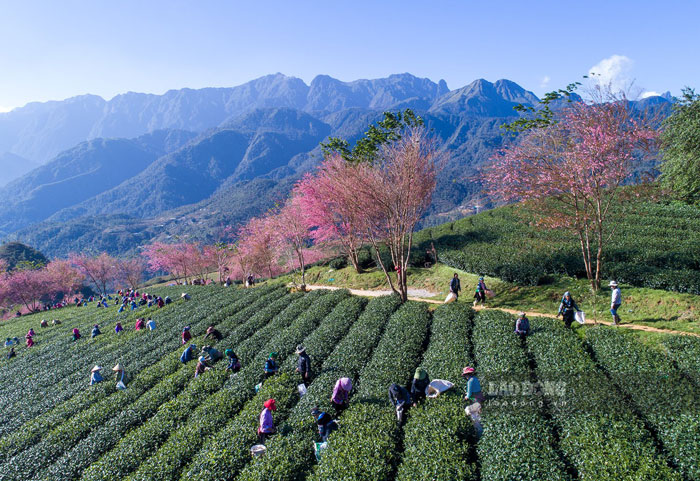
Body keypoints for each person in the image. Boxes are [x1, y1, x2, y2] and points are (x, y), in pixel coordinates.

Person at [462, 366, 484, 436]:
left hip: (475, 398)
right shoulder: (475, 378)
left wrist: (466, 397)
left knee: (472, 412)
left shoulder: (470, 381)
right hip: (479, 396)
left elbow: (469, 393)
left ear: (467, 375)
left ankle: (479, 432)